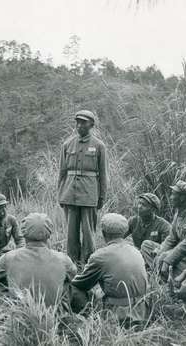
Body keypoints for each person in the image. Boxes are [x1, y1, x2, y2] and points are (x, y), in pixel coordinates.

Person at [72, 213, 149, 327]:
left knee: (71, 289)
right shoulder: (135, 250)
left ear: (103, 233)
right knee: (99, 291)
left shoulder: (100, 256)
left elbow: (81, 284)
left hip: (118, 314)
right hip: (143, 310)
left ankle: (91, 321)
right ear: (124, 232)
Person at [0, 213, 77, 308]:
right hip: (55, 312)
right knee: (67, 281)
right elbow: (73, 275)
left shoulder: (9, 257)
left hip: (20, 311)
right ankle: (65, 311)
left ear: (23, 233)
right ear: (49, 234)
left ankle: (6, 308)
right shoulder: (63, 258)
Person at [58, 110, 107, 265]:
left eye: (83, 122)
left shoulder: (99, 146)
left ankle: (88, 263)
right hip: (70, 194)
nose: (79, 125)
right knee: (71, 233)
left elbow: (103, 174)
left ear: (91, 124)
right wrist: (60, 194)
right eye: (77, 122)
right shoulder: (67, 145)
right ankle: (72, 263)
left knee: (88, 232)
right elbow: (62, 173)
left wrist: (101, 196)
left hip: (89, 194)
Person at [152, 180, 186, 279]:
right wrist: (160, 250)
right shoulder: (178, 213)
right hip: (177, 252)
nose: (170, 197)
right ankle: (160, 272)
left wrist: (166, 254)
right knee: (147, 246)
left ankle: (164, 276)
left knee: (163, 258)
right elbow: (171, 238)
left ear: (182, 198)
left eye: (173, 194)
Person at [124, 193, 171, 269]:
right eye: (139, 203)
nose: (139, 207)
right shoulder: (133, 221)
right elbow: (119, 236)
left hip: (155, 258)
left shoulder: (163, 225)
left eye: (144, 205)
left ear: (153, 209)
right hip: (139, 256)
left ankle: (155, 273)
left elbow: (167, 248)